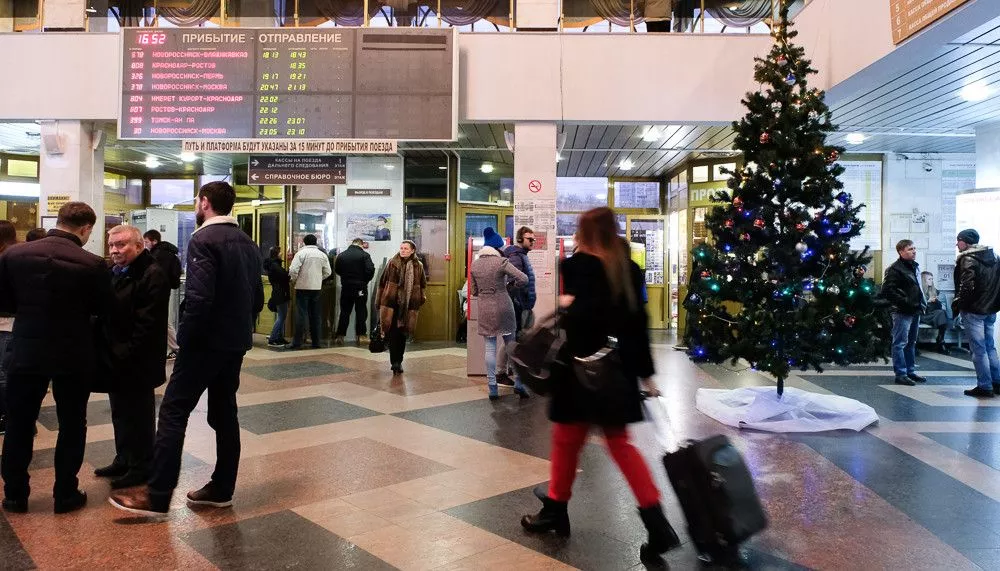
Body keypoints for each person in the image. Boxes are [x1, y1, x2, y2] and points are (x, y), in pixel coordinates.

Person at [520, 207, 679, 563]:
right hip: (616, 374)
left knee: (566, 441)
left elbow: (580, 325)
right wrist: (645, 375)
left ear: (584, 234)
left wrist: (567, 306)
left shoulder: (577, 267)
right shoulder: (628, 270)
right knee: (621, 445)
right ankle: (656, 522)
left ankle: (555, 509)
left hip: (578, 374)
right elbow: (636, 328)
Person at [109, 181, 264, 517]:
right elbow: (258, 298)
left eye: (197, 201)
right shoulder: (248, 243)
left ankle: (158, 495)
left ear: (204, 203)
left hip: (204, 343)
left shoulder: (203, 239)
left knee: (173, 411)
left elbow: (199, 298)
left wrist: (186, 341)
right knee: (224, 413)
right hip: (234, 343)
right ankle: (222, 488)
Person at [0, 202, 110, 514]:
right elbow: (104, 309)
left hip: (26, 349)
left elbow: (4, 303)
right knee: (72, 423)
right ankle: (65, 493)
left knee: (19, 422)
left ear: (58, 220)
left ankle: (15, 494)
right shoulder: (92, 263)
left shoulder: (14, 255)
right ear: (86, 228)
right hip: (73, 352)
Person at [95, 225, 170, 490]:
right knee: (120, 412)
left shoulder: (152, 274)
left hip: (138, 360)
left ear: (139, 246)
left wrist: (124, 352)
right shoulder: (114, 272)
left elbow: (147, 324)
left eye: (121, 245)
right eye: (111, 245)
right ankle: (124, 458)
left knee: (138, 416)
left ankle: (141, 466)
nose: (114, 250)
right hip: (115, 357)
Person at [471, 227, 529, 400]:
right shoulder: (501, 262)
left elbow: (474, 291)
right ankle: (519, 383)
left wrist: (485, 292)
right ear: (497, 247)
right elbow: (523, 278)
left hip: (485, 309)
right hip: (504, 306)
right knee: (511, 346)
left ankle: (492, 388)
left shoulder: (475, 264)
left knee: (490, 348)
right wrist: (511, 286)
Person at [952, 229, 1000, 398]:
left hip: (973, 310)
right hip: (990, 309)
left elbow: (967, 286)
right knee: (990, 346)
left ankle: (985, 386)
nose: (957, 244)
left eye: (958, 240)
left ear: (965, 241)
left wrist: (959, 305)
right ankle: (997, 382)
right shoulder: (994, 257)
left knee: (978, 349)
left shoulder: (968, 259)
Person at [881, 240, 927, 387]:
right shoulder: (894, 269)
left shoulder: (914, 266)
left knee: (911, 342)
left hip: (915, 309)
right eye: (910, 249)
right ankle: (901, 374)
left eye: (914, 248)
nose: (914, 251)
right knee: (900, 343)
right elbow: (887, 290)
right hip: (902, 311)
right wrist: (905, 302)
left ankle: (910, 371)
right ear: (901, 252)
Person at [376, 240, 426, 375]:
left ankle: (399, 360)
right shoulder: (392, 263)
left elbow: (422, 285)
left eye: (406, 248)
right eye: (401, 248)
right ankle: (394, 362)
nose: (403, 251)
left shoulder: (418, 265)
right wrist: (379, 301)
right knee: (393, 334)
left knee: (402, 335)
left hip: (408, 306)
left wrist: (420, 298)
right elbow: (382, 283)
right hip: (391, 304)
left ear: (412, 250)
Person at [497, 226, 537, 386]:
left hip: (520, 303)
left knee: (514, 337)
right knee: (511, 338)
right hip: (517, 303)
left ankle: (509, 370)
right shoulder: (515, 256)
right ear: (520, 239)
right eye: (530, 239)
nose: (533, 242)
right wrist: (519, 302)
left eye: (534, 239)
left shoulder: (520, 255)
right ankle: (500, 372)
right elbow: (514, 282)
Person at [287, 234, 332, 350]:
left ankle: (297, 342)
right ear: (316, 242)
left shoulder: (301, 253)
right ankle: (316, 342)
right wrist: (318, 279)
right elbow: (328, 272)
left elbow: (293, 270)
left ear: (304, 242)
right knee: (316, 316)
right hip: (316, 288)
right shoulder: (322, 255)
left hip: (302, 288)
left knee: (301, 315)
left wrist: (295, 280)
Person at [143, 230, 182, 360]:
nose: (145, 245)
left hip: (160, 291)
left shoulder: (157, 255)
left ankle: (176, 348)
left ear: (154, 241)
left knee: (165, 320)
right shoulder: (169, 254)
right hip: (167, 290)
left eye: (146, 242)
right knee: (165, 320)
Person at [334, 238, 376, 346]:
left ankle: (340, 336)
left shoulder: (342, 255)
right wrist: (364, 281)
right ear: (361, 245)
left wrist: (346, 279)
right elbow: (370, 270)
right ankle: (361, 336)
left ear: (352, 244)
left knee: (344, 311)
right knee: (361, 311)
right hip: (360, 288)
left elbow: (337, 269)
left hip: (346, 287)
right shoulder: (365, 255)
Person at [0, 220, 17, 435]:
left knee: (4, 375)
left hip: (7, 324)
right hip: (10, 324)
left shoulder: (8, 259)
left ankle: (9, 417)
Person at [264, 247, 291, 347]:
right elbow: (285, 276)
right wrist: (290, 269)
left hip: (278, 292)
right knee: (281, 316)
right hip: (280, 293)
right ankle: (273, 339)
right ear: (276, 253)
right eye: (280, 252)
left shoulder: (274, 264)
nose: (282, 253)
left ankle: (279, 337)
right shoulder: (275, 265)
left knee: (282, 316)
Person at [920, 271, 951, 355]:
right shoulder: (919, 291)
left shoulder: (935, 291)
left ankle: (940, 340)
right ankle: (940, 341)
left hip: (933, 315)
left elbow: (939, 307)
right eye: (929, 279)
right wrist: (927, 301)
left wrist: (937, 301)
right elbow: (917, 306)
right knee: (941, 314)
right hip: (923, 315)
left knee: (942, 312)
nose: (931, 281)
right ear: (924, 280)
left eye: (932, 279)